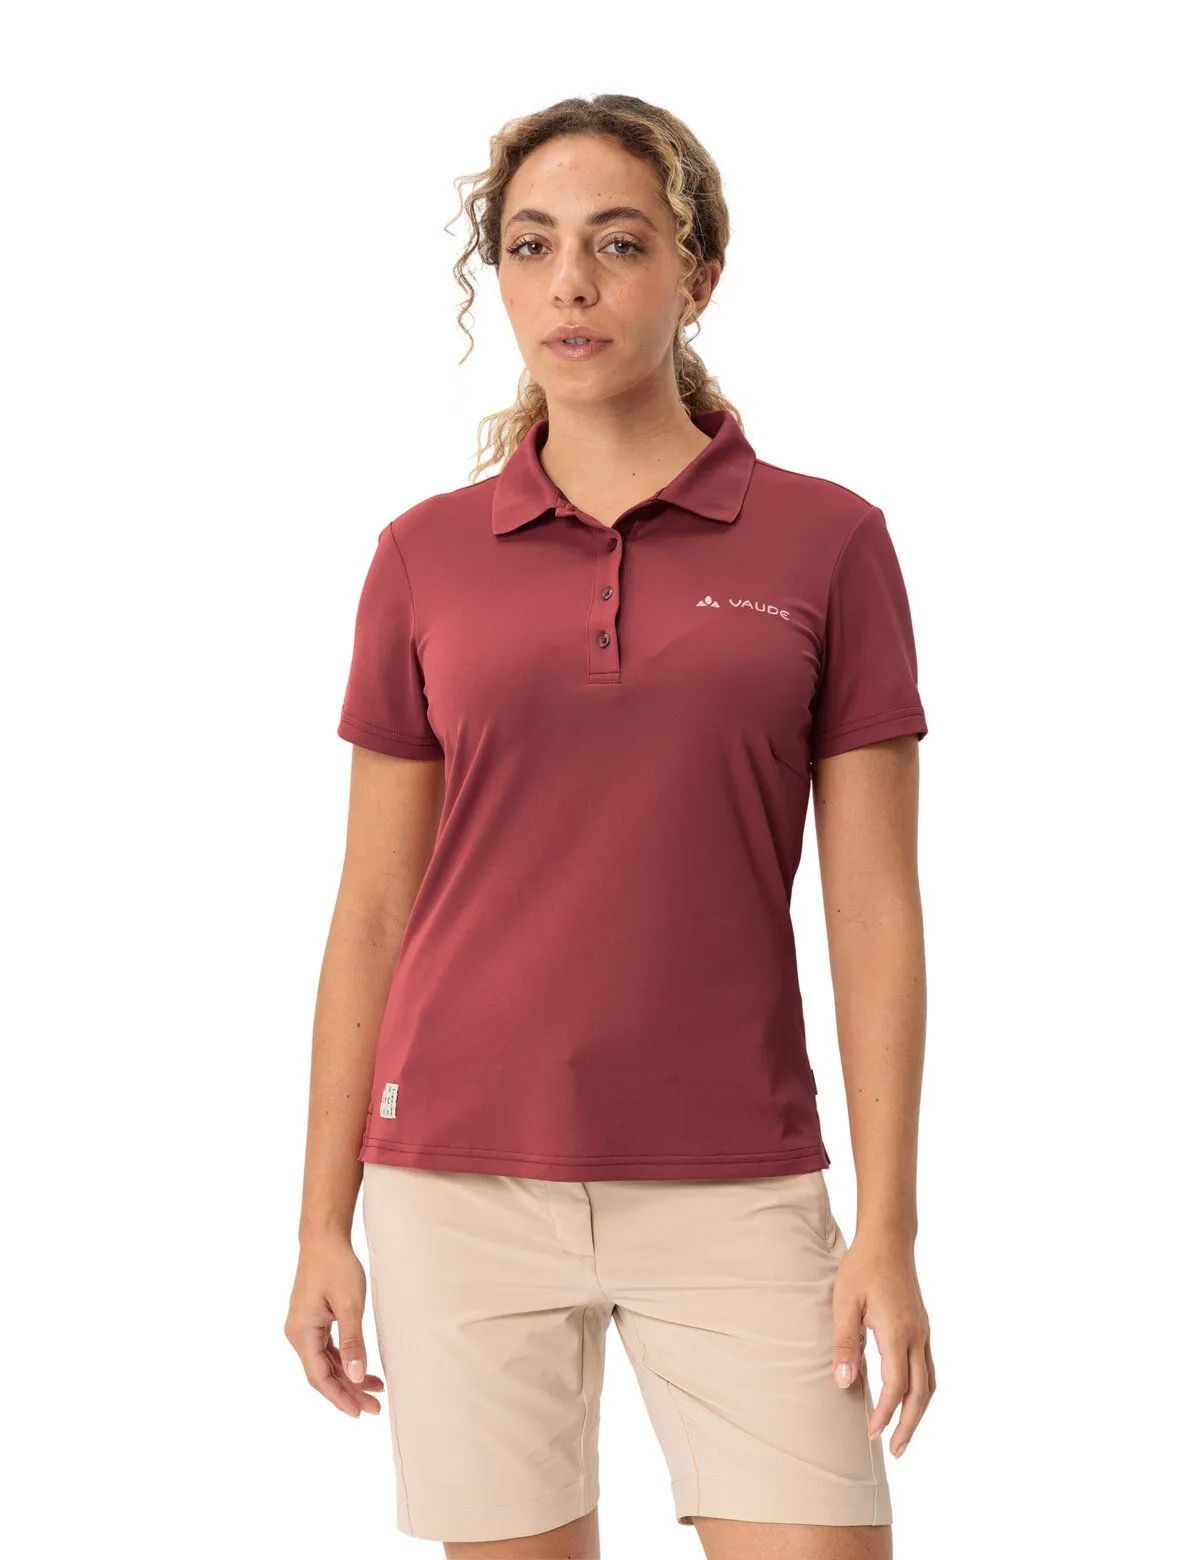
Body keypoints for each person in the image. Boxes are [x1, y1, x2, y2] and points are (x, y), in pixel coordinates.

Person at [285, 93, 936, 1560]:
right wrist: (322, 1219)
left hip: (736, 1176)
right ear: (500, 281)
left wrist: (887, 1226)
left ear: (696, 276)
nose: (571, 282)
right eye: (532, 246)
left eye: (618, 243)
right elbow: (373, 909)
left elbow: (873, 907)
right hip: (455, 1179)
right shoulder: (423, 557)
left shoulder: (830, 542)